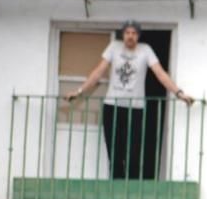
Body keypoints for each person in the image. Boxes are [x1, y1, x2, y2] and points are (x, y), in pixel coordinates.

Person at [65, 20, 193, 179]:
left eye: (133, 33)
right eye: (127, 33)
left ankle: (130, 190)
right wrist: (79, 91)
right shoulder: (114, 47)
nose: (130, 36)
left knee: (133, 152)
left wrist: (179, 93)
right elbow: (98, 72)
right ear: (123, 35)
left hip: (136, 108)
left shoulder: (146, 50)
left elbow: (160, 74)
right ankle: (116, 189)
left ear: (138, 36)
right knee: (114, 152)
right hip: (112, 106)